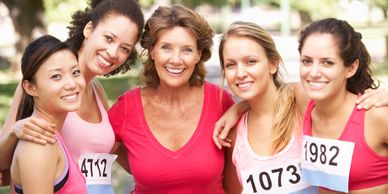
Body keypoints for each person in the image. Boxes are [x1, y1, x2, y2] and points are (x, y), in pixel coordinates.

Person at [0, 0, 144, 193]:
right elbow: (7, 165)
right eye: (109, 38)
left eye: (125, 48)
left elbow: (114, 151)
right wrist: (14, 131)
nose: (113, 53)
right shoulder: (43, 84)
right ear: (89, 29)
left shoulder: (97, 89)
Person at [108, 5, 240, 193]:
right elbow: (85, 148)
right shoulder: (126, 108)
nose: (176, 60)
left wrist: (241, 107)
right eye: (166, 48)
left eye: (187, 50)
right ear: (153, 51)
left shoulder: (221, 102)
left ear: (198, 55)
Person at [218, 21, 317, 193]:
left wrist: (378, 96)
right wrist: (240, 107)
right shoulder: (234, 132)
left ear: (273, 64)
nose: (240, 73)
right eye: (230, 65)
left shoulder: (301, 103)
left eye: (250, 61)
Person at [298, 18, 388, 193]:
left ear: (351, 68)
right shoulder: (303, 100)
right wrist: (238, 108)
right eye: (306, 61)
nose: (313, 72)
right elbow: (266, 91)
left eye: (327, 62)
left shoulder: (375, 115)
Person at [10, 35, 86, 194]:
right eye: (56, 76)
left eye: (75, 72)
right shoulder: (39, 143)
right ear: (31, 88)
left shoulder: (51, 134)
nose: (72, 84)